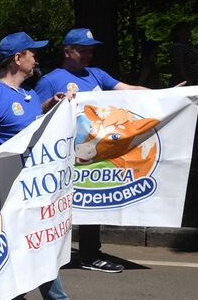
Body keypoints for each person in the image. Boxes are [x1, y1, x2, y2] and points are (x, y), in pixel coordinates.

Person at [0, 32, 108, 300]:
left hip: (35, 189)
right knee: (39, 247)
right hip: (9, 193)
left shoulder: (28, 95)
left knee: (29, 247)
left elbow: (31, 127)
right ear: (18, 59)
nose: (37, 58)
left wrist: (51, 105)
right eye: (32, 53)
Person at [34, 28, 166, 274]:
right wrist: (52, 101)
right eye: (82, 50)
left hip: (94, 153)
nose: (87, 54)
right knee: (59, 203)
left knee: (93, 198)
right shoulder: (51, 80)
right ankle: (48, 252)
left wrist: (168, 95)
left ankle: (90, 254)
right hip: (64, 153)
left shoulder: (96, 74)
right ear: (67, 51)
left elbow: (128, 90)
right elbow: (36, 114)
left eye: (90, 50)